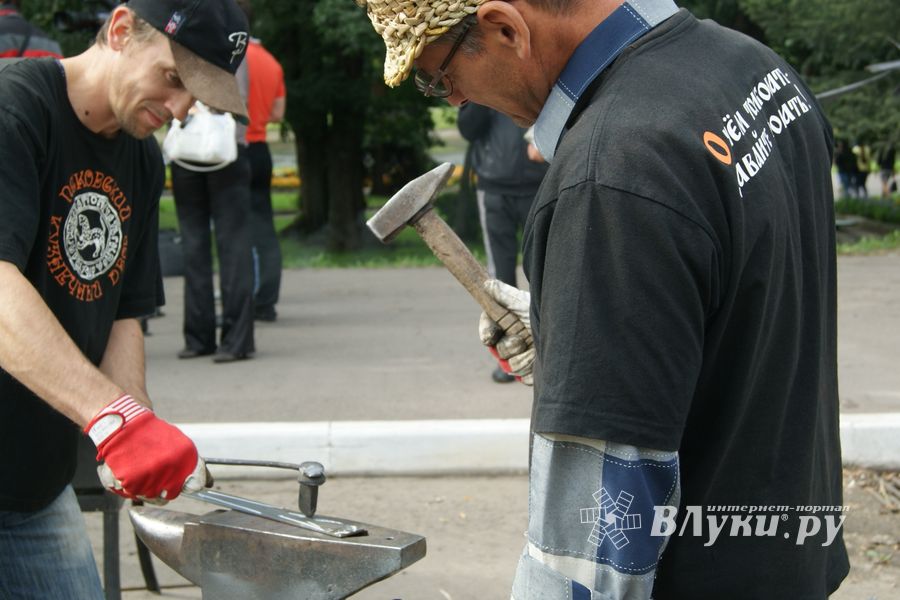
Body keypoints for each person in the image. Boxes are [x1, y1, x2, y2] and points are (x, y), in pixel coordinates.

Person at [358, 0, 849, 597]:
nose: (454, 99)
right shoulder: (752, 68)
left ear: (505, 28)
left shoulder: (612, 176)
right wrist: (584, 333)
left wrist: (597, 328)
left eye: (440, 77)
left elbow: (590, 551)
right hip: (786, 558)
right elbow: (744, 301)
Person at [0, 0, 249, 597]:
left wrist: (137, 427)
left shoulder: (139, 158)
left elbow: (122, 313)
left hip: (35, 483)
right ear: (119, 31)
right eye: (173, 79)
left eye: (198, 96)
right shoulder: (17, 108)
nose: (180, 110)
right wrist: (116, 422)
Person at [171, 49, 256, 363]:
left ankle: (199, 337)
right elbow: (240, 94)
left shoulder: (181, 36)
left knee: (202, 244)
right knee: (227, 244)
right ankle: (234, 340)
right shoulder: (232, 38)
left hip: (195, 148)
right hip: (225, 147)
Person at [457, 103, 547, 383]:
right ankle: (511, 358)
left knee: (547, 272)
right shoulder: (477, 72)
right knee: (500, 280)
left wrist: (539, 138)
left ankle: (550, 357)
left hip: (540, 184)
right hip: (494, 186)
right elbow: (468, 130)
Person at [240, 0, 287, 323]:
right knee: (264, 225)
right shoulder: (271, 62)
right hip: (262, 150)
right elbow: (278, 113)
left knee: (238, 229)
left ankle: (248, 298)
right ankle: (267, 298)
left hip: (234, 150)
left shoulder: (229, 57)